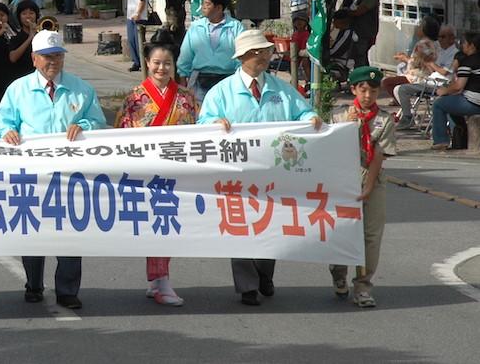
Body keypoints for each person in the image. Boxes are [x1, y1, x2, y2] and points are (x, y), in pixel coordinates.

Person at [197, 29, 322, 307]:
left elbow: (303, 112)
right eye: (260, 52)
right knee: (241, 227)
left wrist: (312, 117)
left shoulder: (280, 89)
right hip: (236, 173)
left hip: (273, 173)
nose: (266, 56)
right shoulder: (221, 93)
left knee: (270, 227)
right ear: (245, 57)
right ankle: (247, 286)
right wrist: (215, 124)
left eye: (266, 51)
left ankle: (265, 273)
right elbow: (204, 122)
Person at [0, 30, 107, 309]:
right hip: (32, 173)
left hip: (70, 175)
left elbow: (99, 123)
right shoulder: (18, 90)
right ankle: (33, 284)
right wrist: (7, 132)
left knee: (70, 231)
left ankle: (67, 290)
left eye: (57, 55)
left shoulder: (81, 89)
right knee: (33, 230)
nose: (52, 61)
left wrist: (86, 127)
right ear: (34, 59)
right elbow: (0, 125)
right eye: (46, 56)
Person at [117, 32, 196, 307]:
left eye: (167, 64)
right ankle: (160, 281)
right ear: (147, 64)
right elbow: (122, 134)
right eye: (156, 63)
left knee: (171, 224)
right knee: (158, 224)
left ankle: (157, 281)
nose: (162, 68)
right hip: (146, 171)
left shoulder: (186, 97)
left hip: (177, 169)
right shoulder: (135, 98)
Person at [329, 66, 396, 308]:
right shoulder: (338, 116)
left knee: (371, 236)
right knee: (341, 231)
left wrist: (368, 187)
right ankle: (338, 271)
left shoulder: (384, 120)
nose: (368, 96)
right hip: (342, 180)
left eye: (373, 91)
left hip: (372, 180)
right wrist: (347, 126)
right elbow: (330, 147)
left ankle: (363, 286)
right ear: (354, 89)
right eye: (363, 90)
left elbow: (379, 154)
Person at [176, 0, 244, 102]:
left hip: (227, 78)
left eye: (207, 4)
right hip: (200, 79)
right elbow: (185, 55)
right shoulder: (196, 27)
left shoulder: (235, 27)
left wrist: (238, 79)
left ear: (219, 8)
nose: (203, 7)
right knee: (200, 115)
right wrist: (183, 82)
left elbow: (241, 56)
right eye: (203, 3)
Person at [394, 25, 459, 127]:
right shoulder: (441, 51)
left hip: (441, 85)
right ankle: (409, 116)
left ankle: (408, 117)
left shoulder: (455, 54)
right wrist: (425, 61)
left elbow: (444, 72)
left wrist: (431, 63)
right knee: (398, 89)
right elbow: (432, 69)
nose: (439, 39)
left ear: (451, 38)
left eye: (442, 37)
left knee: (401, 88)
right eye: (439, 36)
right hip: (430, 80)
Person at [430, 31, 480, 151]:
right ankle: (460, 137)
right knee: (451, 104)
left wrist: (444, 90)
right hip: (473, 100)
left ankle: (441, 140)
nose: (462, 45)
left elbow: (458, 86)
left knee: (439, 104)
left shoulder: (468, 62)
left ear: (471, 45)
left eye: (464, 43)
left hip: (474, 103)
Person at [380, 16, 439, 105]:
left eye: (419, 26)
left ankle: (402, 103)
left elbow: (415, 63)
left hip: (418, 78)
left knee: (386, 82)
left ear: (424, 30)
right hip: (429, 77)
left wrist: (404, 58)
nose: (417, 28)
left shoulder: (422, 44)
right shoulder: (436, 44)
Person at [347, 0, 381, 66]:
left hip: (364, 31)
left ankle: (364, 78)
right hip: (359, 29)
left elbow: (358, 12)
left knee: (360, 56)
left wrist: (347, 12)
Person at [117, 0, 148, 72]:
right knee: (131, 40)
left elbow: (142, 0)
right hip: (130, 16)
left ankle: (143, 62)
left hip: (139, 17)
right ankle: (136, 62)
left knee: (138, 40)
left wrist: (138, 13)